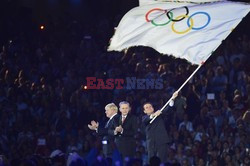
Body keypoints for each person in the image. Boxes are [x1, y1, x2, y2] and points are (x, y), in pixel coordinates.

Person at [142, 91, 178, 163]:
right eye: (147, 107)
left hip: (162, 141)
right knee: (151, 161)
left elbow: (168, 109)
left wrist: (172, 99)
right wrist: (154, 115)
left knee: (161, 161)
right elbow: (146, 120)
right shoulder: (144, 118)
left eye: (150, 106)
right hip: (151, 144)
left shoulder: (160, 114)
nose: (149, 108)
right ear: (144, 111)